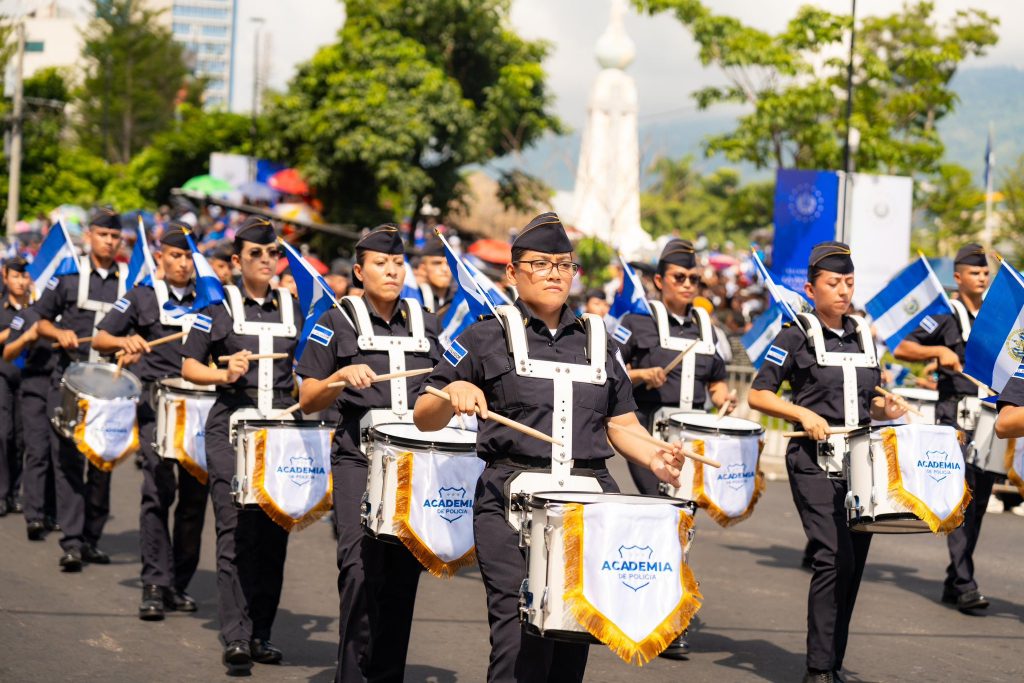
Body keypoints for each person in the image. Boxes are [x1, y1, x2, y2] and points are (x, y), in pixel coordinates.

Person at [414, 212, 688, 683]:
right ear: (513, 272)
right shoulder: (484, 334)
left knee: (570, 640)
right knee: (518, 637)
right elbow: (424, 411)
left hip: (587, 505)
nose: (555, 273)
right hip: (509, 503)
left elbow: (620, 422)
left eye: (565, 264)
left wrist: (652, 453)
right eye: (541, 264)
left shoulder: (598, 340)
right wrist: (452, 392)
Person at [747, 241, 906, 683]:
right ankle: (818, 669)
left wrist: (885, 407)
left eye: (849, 283)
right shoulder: (794, 333)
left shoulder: (863, 334)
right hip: (814, 463)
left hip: (862, 467)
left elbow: (866, 401)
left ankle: (832, 662)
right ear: (810, 287)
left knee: (853, 565)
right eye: (833, 283)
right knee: (832, 557)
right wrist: (801, 412)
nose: (843, 291)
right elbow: (757, 393)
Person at [297, 224, 441, 683]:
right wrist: (341, 377)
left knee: (402, 574)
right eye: (381, 263)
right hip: (359, 459)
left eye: (398, 263)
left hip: (415, 466)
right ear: (359, 270)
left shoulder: (426, 320)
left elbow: (442, 384)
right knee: (359, 570)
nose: (392, 270)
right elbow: (308, 398)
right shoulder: (336, 319)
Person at [181, 216, 303, 673]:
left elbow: (311, 364)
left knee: (273, 532)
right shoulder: (216, 305)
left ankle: (261, 634)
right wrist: (222, 372)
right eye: (257, 254)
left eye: (273, 253)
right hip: (230, 428)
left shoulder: (294, 306)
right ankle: (235, 635)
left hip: (281, 435)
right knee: (233, 529)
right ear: (236, 261)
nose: (267, 260)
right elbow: (190, 364)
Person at [93, 224, 209, 621]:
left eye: (189, 255)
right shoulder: (142, 295)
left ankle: (179, 582)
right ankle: (155, 584)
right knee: (158, 492)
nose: (182, 262)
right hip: (156, 405)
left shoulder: (210, 299)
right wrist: (126, 342)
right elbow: (101, 338)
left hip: (200, 409)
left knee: (195, 500)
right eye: (175, 255)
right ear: (161, 256)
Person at [892, 243, 993, 613]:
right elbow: (903, 347)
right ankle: (965, 583)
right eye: (975, 272)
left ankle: (955, 579)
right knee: (960, 501)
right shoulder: (946, 315)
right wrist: (937, 353)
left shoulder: (994, 316)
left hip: (989, 417)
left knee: (978, 503)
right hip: (956, 417)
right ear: (958, 277)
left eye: (985, 273)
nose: (982, 278)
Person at [32, 207, 128, 571]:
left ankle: (91, 538)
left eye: (114, 236)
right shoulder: (69, 278)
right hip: (70, 384)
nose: (109, 240)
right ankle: (71, 541)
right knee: (69, 462)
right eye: (103, 234)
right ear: (89, 236)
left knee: (102, 462)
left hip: (110, 390)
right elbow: (39, 320)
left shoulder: (130, 286)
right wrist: (59, 332)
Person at [617, 240, 734, 494]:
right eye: (679, 277)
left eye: (694, 279)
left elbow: (716, 381)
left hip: (693, 437)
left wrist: (723, 397)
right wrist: (640, 375)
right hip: (649, 434)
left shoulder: (707, 329)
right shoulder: (637, 322)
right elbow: (609, 373)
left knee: (686, 510)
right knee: (658, 505)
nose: (688, 285)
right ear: (659, 280)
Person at [3, 299, 59, 540]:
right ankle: (34, 514)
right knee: (36, 450)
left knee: (59, 454)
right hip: (33, 384)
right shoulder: (27, 315)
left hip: (63, 386)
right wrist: (28, 337)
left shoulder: (69, 314)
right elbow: (8, 352)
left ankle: (52, 511)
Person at [0, 258, 31, 516]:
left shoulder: (36, 308)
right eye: (16, 276)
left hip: (28, 378)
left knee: (22, 439)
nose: (20, 281)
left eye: (24, 276)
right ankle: (2, 492)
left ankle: (16, 492)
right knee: (3, 435)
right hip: (3, 376)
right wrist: (11, 333)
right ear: (5, 276)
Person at [414, 236, 454, 313]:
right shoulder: (415, 298)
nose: (444, 269)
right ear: (423, 268)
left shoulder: (460, 300)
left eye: (449, 263)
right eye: (437, 263)